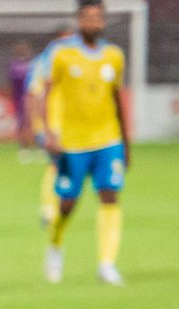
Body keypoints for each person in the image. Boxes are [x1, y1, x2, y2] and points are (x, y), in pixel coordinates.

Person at [38, 0, 129, 285]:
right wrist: (51, 132)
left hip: (108, 139)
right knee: (67, 205)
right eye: (87, 17)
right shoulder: (61, 54)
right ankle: (55, 245)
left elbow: (117, 99)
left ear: (104, 21)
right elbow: (49, 94)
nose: (93, 22)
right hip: (72, 142)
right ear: (79, 19)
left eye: (97, 17)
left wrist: (126, 142)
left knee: (110, 196)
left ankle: (107, 264)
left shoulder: (114, 56)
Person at [26, 24, 76, 228]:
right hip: (51, 125)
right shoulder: (43, 62)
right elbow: (34, 95)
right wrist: (37, 126)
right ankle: (49, 210)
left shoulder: (74, 60)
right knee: (56, 165)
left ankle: (57, 207)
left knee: (66, 167)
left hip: (70, 125)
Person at [8, 40, 36, 160]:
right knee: (23, 124)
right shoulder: (17, 66)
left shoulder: (32, 65)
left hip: (29, 98)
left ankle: (33, 147)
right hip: (21, 99)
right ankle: (23, 148)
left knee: (32, 123)